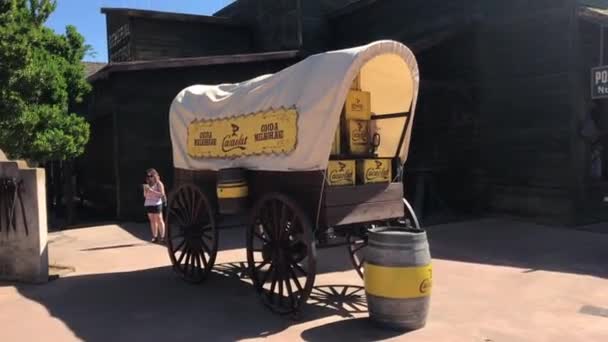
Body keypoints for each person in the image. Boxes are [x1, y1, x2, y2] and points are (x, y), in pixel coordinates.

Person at [143, 168, 166, 243]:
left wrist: (152, 191)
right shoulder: (146, 184)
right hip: (149, 203)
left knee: (159, 219)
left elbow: (162, 194)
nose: (150, 177)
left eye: (151, 175)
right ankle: (155, 237)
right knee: (152, 220)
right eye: (148, 176)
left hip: (157, 203)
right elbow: (145, 196)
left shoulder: (159, 183)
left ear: (155, 175)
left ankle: (162, 237)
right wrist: (147, 191)